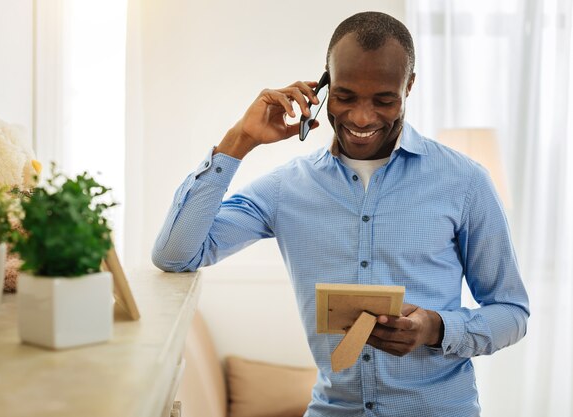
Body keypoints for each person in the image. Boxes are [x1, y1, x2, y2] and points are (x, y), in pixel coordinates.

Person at [152, 11, 529, 417]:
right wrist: (239, 140)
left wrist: (436, 329)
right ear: (324, 84)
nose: (362, 117)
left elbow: (511, 312)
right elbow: (176, 255)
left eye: (384, 100)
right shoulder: (286, 188)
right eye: (345, 96)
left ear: (409, 86)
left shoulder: (465, 182)